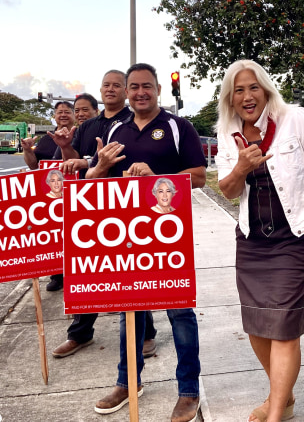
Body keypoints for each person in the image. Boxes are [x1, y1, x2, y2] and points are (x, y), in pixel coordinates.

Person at [215, 60, 304, 422]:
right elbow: (227, 190)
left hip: (296, 235)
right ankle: (282, 399)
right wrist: (240, 167)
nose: (247, 96)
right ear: (230, 98)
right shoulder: (227, 132)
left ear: (266, 89)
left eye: (253, 87)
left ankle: (274, 415)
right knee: (257, 324)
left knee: (284, 326)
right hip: (253, 239)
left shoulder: (295, 119)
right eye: (238, 90)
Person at [87, 63, 206, 422]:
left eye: (147, 87)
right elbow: (92, 182)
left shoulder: (176, 126)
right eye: (133, 87)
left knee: (179, 313)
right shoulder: (115, 130)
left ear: (158, 90)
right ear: (126, 92)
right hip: (125, 236)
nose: (140, 92)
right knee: (130, 310)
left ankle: (188, 390)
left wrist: (159, 178)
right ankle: (127, 382)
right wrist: (99, 168)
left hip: (169, 236)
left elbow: (199, 176)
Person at [49, 71, 158, 360]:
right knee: (88, 269)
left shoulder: (131, 121)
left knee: (133, 272)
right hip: (92, 206)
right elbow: (77, 163)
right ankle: (80, 333)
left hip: (128, 206)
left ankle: (146, 332)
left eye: (116, 85)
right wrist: (66, 148)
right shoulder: (89, 126)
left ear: (125, 91)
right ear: (100, 90)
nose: (111, 89)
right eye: (105, 85)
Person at [22, 95, 98, 291]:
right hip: (55, 196)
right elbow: (34, 165)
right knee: (55, 235)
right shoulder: (47, 139)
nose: (64, 115)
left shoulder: (85, 134)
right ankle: (57, 274)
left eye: (68, 112)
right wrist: (27, 150)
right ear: (54, 116)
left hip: (82, 195)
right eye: (60, 112)